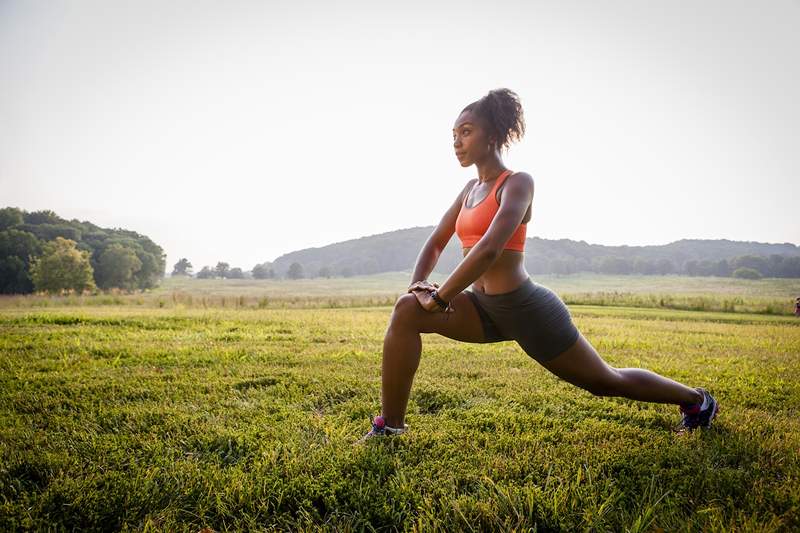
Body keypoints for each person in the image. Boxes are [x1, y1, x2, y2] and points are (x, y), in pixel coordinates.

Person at [357, 88, 719, 443]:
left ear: (494, 135)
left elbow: (488, 250)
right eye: (453, 134)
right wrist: (418, 286)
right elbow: (437, 240)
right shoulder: (468, 190)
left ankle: (696, 401)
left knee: (606, 382)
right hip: (483, 309)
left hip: (527, 309)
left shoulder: (517, 184)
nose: (457, 141)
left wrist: (440, 298)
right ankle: (390, 428)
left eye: (466, 132)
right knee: (407, 310)